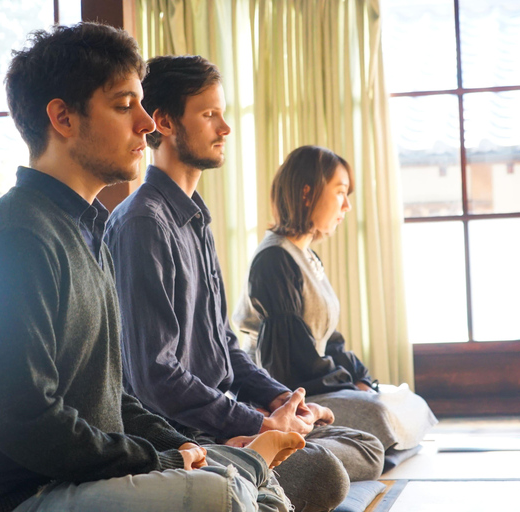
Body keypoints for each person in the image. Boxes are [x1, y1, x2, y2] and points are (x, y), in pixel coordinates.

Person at [0, 23, 305, 512]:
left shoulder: (89, 230)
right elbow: (23, 421)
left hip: (77, 479)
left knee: (249, 485)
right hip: (16, 495)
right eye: (125, 106)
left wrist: (178, 448)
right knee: (226, 494)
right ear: (62, 117)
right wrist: (161, 461)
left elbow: (114, 397)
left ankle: (244, 466)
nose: (147, 124)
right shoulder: (15, 238)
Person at [105, 55, 384, 512]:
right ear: (165, 122)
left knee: (363, 441)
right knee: (326, 473)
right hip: (185, 436)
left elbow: (225, 346)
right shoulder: (142, 224)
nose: (224, 128)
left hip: (224, 418)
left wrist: (279, 398)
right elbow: (155, 377)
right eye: (210, 114)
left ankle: (261, 456)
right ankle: (246, 464)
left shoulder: (195, 220)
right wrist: (257, 424)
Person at [232, 145, 404, 454]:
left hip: (315, 383)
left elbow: (329, 339)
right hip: (290, 393)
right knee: (380, 413)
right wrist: (349, 387)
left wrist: (360, 378)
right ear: (307, 194)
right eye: (340, 192)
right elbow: (290, 363)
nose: (347, 205)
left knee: (398, 402)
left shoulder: (307, 256)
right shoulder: (274, 259)